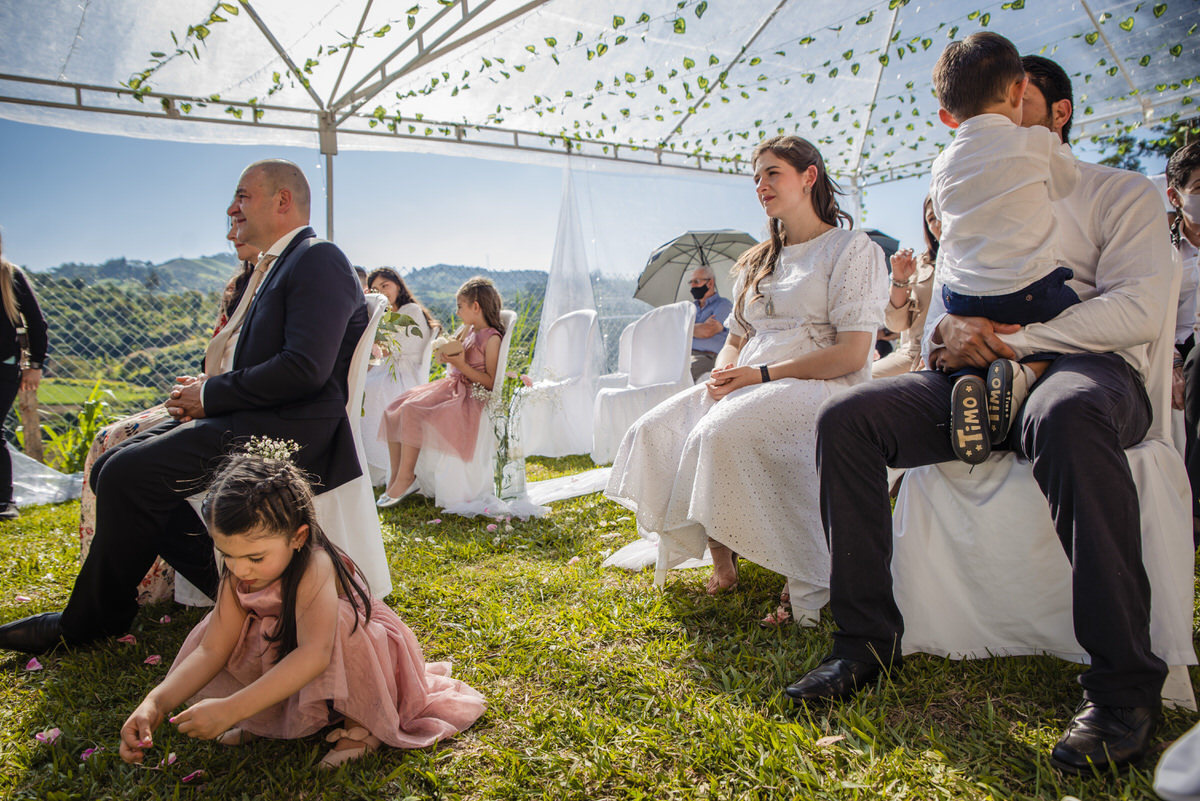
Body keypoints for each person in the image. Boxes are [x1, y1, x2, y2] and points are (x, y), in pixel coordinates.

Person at [786, 54, 1175, 775]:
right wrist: (943, 336)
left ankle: (1123, 687)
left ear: (1048, 108)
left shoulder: (1119, 193)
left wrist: (1023, 344)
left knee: (1067, 415)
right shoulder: (967, 190)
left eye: (1015, 101)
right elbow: (942, 314)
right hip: (977, 375)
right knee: (848, 421)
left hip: (1091, 372)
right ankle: (863, 641)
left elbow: (1141, 310)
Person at [0, 158, 368, 654]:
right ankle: (239, 593)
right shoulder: (279, 264)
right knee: (112, 464)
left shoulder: (318, 257)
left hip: (290, 429)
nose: (231, 207)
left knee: (132, 475)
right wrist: (209, 387)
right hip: (257, 415)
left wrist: (210, 395)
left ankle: (89, 621)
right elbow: (263, 359)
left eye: (243, 195)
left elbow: (303, 368)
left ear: (283, 201)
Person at [605, 135, 887, 626]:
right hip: (749, 375)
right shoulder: (759, 260)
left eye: (772, 173)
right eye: (756, 177)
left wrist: (759, 374)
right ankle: (723, 559)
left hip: (820, 382)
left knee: (720, 432)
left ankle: (805, 571)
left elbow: (852, 352)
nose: (761, 185)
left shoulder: (850, 248)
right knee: (655, 429)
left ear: (809, 176)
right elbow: (737, 334)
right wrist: (723, 372)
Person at [118, 453, 485, 769]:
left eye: (255, 557)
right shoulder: (239, 573)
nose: (240, 568)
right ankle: (270, 715)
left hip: (351, 650)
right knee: (242, 630)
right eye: (227, 554)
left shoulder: (315, 565)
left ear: (297, 537)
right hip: (293, 644)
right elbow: (212, 649)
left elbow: (314, 655)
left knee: (341, 625)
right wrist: (156, 702)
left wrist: (232, 708)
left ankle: (360, 724)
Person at [77, 224, 260, 604]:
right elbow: (218, 357)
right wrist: (198, 385)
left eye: (242, 221)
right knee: (109, 442)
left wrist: (208, 394)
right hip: (213, 396)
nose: (233, 233)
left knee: (123, 452)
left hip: (232, 409)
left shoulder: (285, 284)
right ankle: (133, 576)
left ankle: (149, 585)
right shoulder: (238, 289)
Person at [928, 32, 1080, 463]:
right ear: (1019, 90)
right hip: (1026, 289)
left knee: (972, 343)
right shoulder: (1035, 141)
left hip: (961, 299)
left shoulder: (942, 162)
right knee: (1071, 319)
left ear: (947, 117)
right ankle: (1024, 374)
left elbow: (943, 210)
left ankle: (966, 381)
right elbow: (1066, 184)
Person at [376, 277, 504, 507]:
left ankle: (408, 477)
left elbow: (490, 382)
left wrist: (462, 365)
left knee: (412, 410)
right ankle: (396, 476)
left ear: (475, 307)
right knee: (395, 407)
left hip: (469, 395)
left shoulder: (492, 338)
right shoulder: (468, 330)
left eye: (460, 307)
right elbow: (456, 357)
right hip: (452, 386)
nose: (457, 313)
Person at [362, 268, 438, 486]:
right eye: (376, 289)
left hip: (404, 372)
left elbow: (385, 348)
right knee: (364, 387)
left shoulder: (410, 310)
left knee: (373, 389)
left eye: (385, 286)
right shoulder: (385, 313)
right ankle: (370, 463)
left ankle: (384, 465)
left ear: (398, 285)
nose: (382, 292)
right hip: (387, 367)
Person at [0, 230, 48, 521]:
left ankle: (5, 501)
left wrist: (36, 365)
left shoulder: (9, 275)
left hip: (5, 367)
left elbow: (37, 323)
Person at [1168, 142, 1200, 544]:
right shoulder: (1162, 248)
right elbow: (1155, 316)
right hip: (1180, 354)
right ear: (1175, 197)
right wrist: (1171, 365)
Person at [871, 197, 941, 378]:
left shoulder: (976, 259)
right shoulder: (918, 265)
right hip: (913, 356)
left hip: (959, 353)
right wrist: (899, 279)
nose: (939, 223)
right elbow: (896, 325)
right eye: (932, 218)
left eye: (942, 213)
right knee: (854, 384)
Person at [687, 265, 734, 381]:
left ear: (710, 283)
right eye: (691, 282)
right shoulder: (691, 308)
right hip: (687, 354)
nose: (692, 285)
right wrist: (698, 328)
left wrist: (687, 329)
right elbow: (677, 330)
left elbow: (708, 330)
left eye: (696, 281)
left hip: (709, 356)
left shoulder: (723, 305)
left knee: (684, 372)